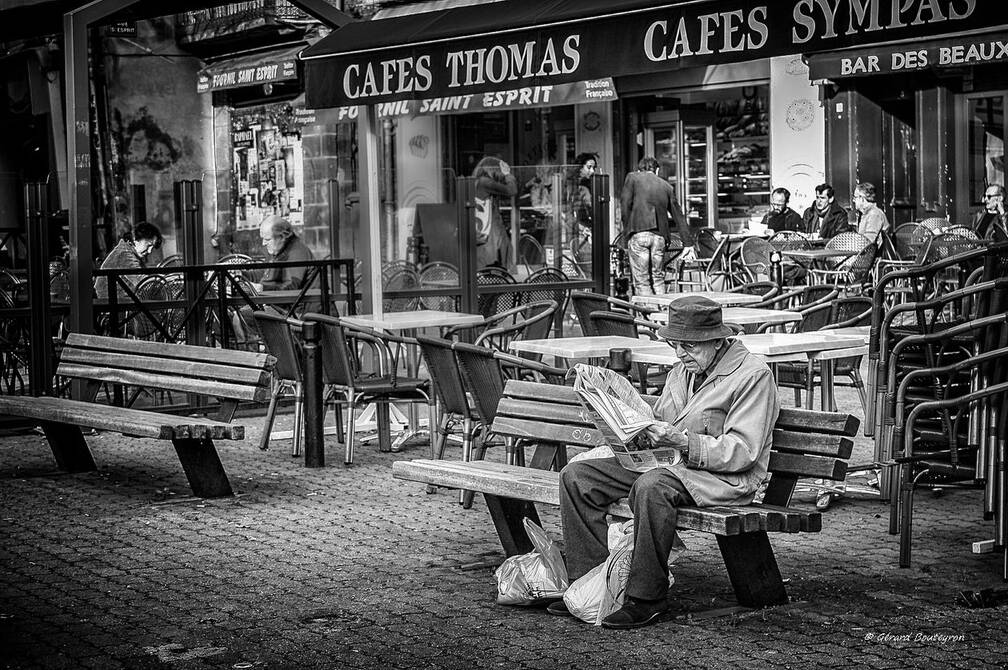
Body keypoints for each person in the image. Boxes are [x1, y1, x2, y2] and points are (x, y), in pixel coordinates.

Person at [552, 296, 780, 629]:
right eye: (676, 344)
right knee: (576, 476)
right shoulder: (682, 371)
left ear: (717, 340)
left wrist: (684, 442)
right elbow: (660, 419)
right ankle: (588, 588)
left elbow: (743, 450)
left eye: (689, 345)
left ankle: (647, 597)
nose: (680, 353)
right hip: (670, 464)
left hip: (721, 477)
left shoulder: (753, 375)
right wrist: (630, 430)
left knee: (652, 486)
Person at [619, 157, 690, 296]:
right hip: (660, 238)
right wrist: (688, 243)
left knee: (642, 281)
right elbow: (678, 215)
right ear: (656, 170)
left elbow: (625, 206)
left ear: (640, 169)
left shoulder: (632, 178)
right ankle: (661, 313)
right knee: (658, 278)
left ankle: (649, 315)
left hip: (638, 233)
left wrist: (627, 231)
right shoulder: (666, 186)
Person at [93, 221, 162, 300]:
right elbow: (142, 282)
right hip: (115, 305)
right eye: (149, 245)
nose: (150, 251)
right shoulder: (124, 254)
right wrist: (166, 280)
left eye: (152, 248)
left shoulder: (127, 249)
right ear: (135, 239)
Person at [473, 156, 517, 271]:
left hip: (488, 235)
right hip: (489, 237)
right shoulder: (484, 182)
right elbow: (511, 190)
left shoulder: (479, 182)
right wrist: (507, 174)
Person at [257, 215, 314, 291]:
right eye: (263, 239)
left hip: (304, 301)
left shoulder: (297, 253)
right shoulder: (278, 248)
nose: (263, 243)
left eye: (267, 239)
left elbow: (291, 288)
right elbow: (265, 273)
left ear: (282, 237)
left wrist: (263, 288)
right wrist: (242, 274)